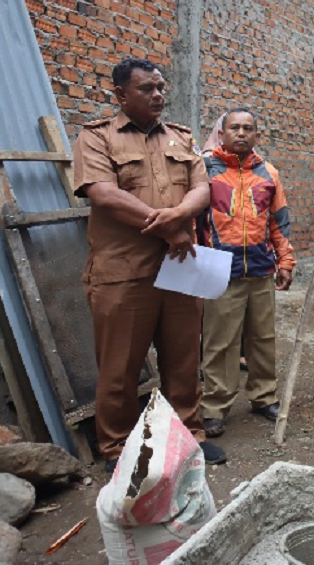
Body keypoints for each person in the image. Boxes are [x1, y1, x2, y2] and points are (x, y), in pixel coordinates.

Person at [72, 58, 226, 471]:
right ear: (120, 94)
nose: (158, 95)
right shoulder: (97, 138)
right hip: (124, 273)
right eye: (146, 89)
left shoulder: (181, 137)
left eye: (161, 87)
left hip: (180, 269)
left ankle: (188, 435)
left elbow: (201, 189)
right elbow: (104, 194)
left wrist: (180, 219)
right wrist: (169, 229)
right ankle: (118, 449)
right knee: (120, 368)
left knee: (183, 361)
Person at [199, 107, 295, 438]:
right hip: (219, 270)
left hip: (260, 268)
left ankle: (263, 397)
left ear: (257, 135)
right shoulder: (205, 170)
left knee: (263, 338)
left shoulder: (269, 173)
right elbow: (193, 220)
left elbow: (278, 222)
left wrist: (285, 261)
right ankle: (214, 407)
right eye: (234, 128)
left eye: (248, 128)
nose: (241, 133)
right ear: (222, 134)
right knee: (219, 342)